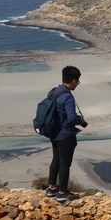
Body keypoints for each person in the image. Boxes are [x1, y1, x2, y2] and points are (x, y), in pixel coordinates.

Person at [45, 65, 88, 203]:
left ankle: (51, 188)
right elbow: (71, 118)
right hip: (65, 134)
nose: (77, 84)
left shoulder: (54, 91)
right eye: (78, 82)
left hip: (54, 132)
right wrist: (79, 120)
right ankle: (63, 192)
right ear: (74, 81)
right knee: (65, 163)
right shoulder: (67, 96)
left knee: (56, 159)